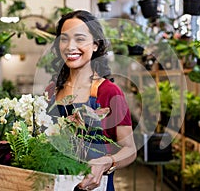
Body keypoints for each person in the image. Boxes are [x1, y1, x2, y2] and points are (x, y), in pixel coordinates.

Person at [46, 10, 137, 191]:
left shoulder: (109, 92)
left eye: (80, 39)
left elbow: (130, 149)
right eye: (64, 39)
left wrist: (107, 162)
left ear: (95, 45)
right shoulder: (52, 91)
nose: (70, 46)